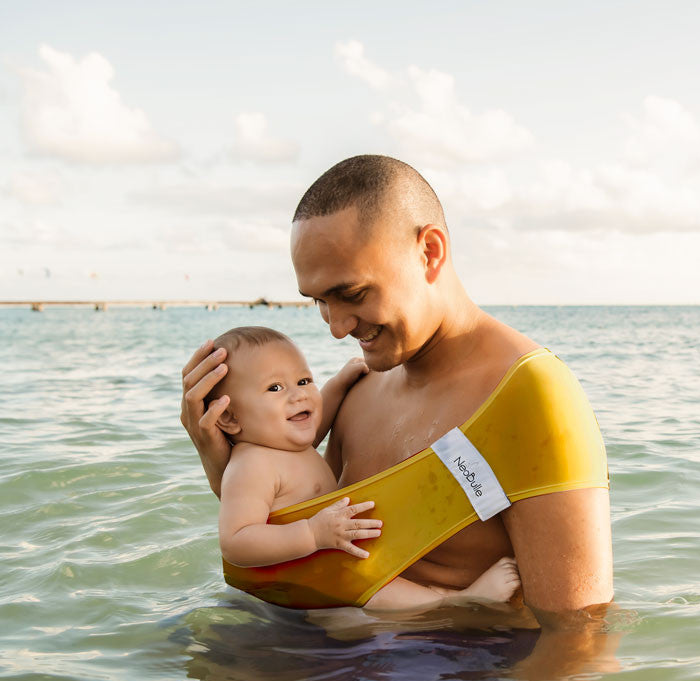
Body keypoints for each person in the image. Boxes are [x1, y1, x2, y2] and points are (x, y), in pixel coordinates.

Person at [181, 154, 612, 626]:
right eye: (321, 302)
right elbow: (301, 534)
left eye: (353, 294)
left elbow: (576, 636)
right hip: (319, 650)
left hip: (441, 673)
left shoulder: (532, 396)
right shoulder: (360, 388)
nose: (337, 328)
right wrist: (220, 457)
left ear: (429, 252)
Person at [207, 324, 522, 609]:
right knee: (374, 593)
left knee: (369, 580)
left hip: (328, 565)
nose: (299, 395)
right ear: (230, 418)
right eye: (275, 388)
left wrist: (338, 385)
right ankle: (455, 600)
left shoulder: (282, 443)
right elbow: (236, 541)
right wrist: (311, 534)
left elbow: (316, 420)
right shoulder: (251, 465)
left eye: (304, 380)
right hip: (308, 576)